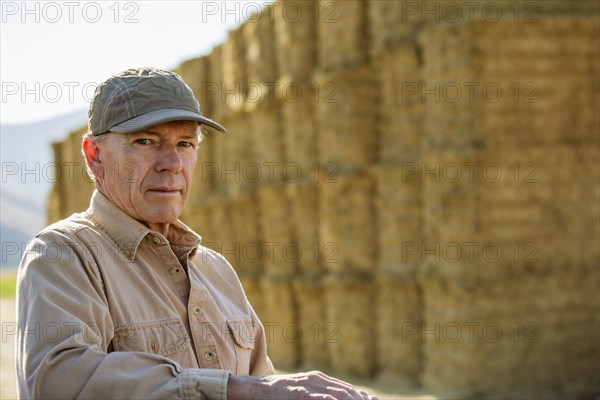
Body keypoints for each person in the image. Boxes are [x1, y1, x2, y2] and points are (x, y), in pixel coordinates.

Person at [16, 67, 377, 400]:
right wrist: (237, 390)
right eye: (145, 142)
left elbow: (261, 384)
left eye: (185, 144)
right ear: (94, 154)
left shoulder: (216, 271)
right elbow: (59, 380)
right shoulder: (62, 254)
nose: (172, 164)